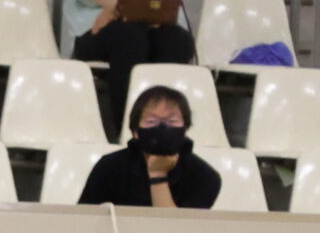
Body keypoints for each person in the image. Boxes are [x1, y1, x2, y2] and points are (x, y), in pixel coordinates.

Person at [63, 0, 192, 133]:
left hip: (154, 25)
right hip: (97, 31)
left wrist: (119, 9)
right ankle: (131, 131)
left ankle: (169, 130)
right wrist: (132, 9)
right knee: (128, 36)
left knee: (176, 39)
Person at [77, 85, 219, 208]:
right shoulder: (109, 167)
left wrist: (158, 174)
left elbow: (176, 227)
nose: (162, 127)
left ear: (185, 128)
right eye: (151, 121)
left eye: (172, 121)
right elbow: (82, 218)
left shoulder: (205, 176)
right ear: (135, 132)